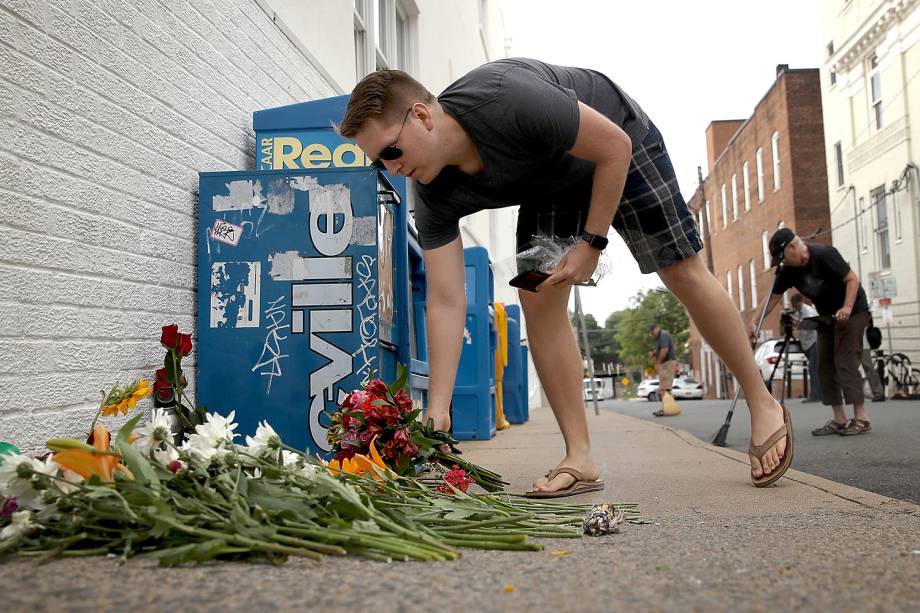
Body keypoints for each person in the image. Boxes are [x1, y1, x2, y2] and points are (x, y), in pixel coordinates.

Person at [340, 59, 792, 496]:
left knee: (680, 270)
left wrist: (591, 243)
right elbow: (445, 299)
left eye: (392, 152)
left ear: (422, 116)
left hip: (618, 141)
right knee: (536, 299)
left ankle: (761, 401)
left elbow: (613, 147)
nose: (393, 170)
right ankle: (580, 457)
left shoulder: (507, 97)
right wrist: (438, 409)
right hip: (550, 183)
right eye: (380, 163)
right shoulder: (432, 191)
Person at [755, 229, 871, 436]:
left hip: (853, 311)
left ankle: (861, 417)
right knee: (824, 363)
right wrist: (753, 323)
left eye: (784, 257)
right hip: (826, 316)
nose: (784, 262)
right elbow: (773, 298)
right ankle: (840, 419)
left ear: (793, 247)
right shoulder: (788, 271)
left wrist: (846, 307)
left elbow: (852, 280)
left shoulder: (825, 254)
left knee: (844, 360)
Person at [789, 294, 821, 402]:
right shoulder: (799, 312)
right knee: (814, 368)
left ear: (800, 302)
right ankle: (818, 393)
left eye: (796, 305)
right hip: (806, 343)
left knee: (813, 368)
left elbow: (811, 325)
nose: (795, 307)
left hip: (813, 342)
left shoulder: (808, 311)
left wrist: (798, 322)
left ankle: (816, 395)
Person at [649, 324, 680, 416]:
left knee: (664, 389)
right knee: (665, 389)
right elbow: (660, 350)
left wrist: (658, 362)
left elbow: (665, 350)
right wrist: (654, 353)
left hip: (668, 363)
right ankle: (668, 408)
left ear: (656, 329)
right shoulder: (660, 338)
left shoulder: (663, 334)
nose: (652, 335)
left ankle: (667, 409)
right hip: (666, 363)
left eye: (652, 333)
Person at [860, 320, 885, 401]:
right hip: (850, 340)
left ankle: (878, 392)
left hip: (862, 341)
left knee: (867, 366)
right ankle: (856, 392)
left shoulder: (862, 310)